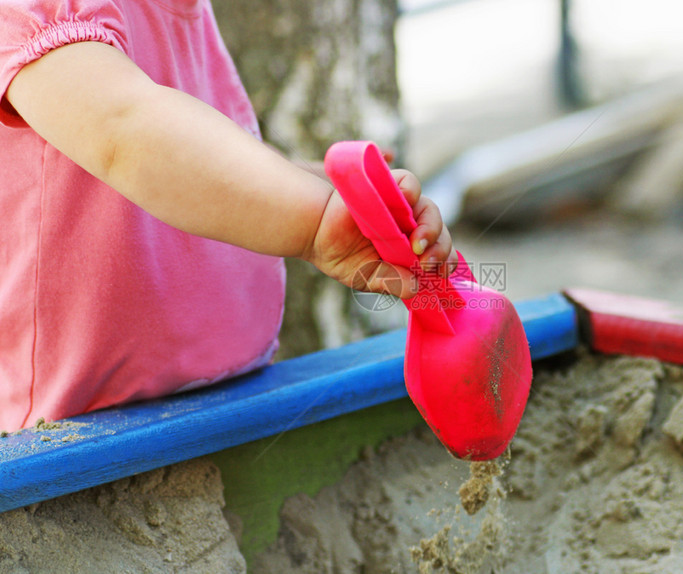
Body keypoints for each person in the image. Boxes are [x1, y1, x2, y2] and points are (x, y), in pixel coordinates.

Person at [0, 0, 455, 431]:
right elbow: (125, 130)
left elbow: (201, 156)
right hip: (65, 437)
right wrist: (314, 221)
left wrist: (313, 188)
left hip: (222, 394)